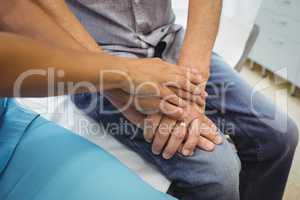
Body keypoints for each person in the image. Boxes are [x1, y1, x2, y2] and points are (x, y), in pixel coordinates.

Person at [1, 1, 298, 200]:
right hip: (94, 56)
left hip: (169, 39)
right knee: (218, 172)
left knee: (280, 135)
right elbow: (31, 8)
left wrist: (192, 81)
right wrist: (119, 85)